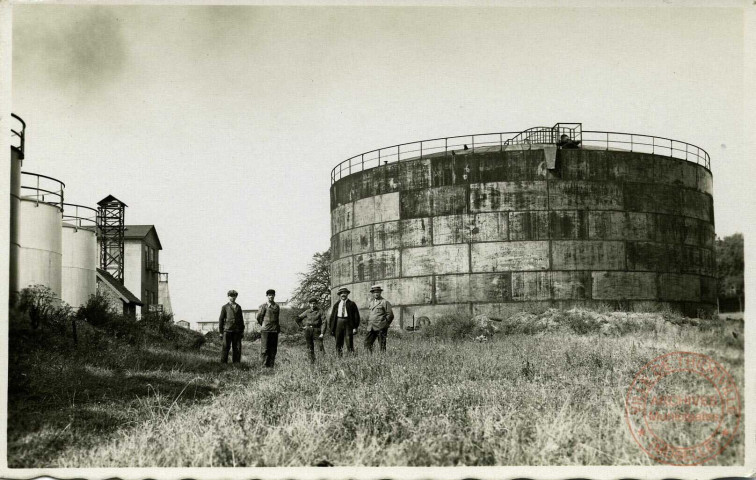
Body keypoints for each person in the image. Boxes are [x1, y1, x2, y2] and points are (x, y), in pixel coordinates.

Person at [329, 287, 360, 356]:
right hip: (338, 322)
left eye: (345, 293)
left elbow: (356, 316)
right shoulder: (336, 304)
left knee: (349, 340)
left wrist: (355, 327)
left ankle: (351, 356)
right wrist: (332, 328)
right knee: (338, 341)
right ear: (339, 295)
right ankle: (339, 356)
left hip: (348, 323)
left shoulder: (352, 304)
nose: (343, 294)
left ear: (347, 294)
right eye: (341, 293)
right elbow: (332, 317)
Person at [296, 297, 327, 363]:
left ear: (316, 304)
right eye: (311, 304)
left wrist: (322, 333)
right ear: (309, 304)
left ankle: (323, 361)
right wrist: (302, 327)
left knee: (320, 345)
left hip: (317, 330)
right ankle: (312, 361)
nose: (313, 305)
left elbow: (324, 322)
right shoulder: (307, 311)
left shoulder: (320, 311)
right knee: (309, 346)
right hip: (308, 330)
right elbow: (298, 318)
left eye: (314, 303)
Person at [364, 285, 394, 353]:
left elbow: (390, 315)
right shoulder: (371, 303)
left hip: (381, 327)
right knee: (367, 343)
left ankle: (382, 359)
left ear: (380, 293)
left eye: (378, 292)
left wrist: (385, 324)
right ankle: (369, 358)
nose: (376, 294)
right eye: (374, 292)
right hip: (371, 327)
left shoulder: (384, 302)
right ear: (372, 293)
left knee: (382, 344)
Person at [256, 289, 280, 368]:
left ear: (274, 296)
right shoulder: (263, 306)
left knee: (273, 349)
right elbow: (259, 318)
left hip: (274, 330)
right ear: (267, 296)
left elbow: (277, 318)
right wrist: (264, 325)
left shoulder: (277, 306)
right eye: (269, 295)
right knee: (264, 349)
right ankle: (263, 366)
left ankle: (271, 366)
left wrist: (277, 328)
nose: (271, 296)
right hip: (265, 330)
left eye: (272, 295)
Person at [219, 289, 244, 364]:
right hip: (227, 330)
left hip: (237, 331)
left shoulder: (238, 307)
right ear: (228, 296)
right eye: (231, 296)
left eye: (234, 296)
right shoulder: (225, 307)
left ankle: (236, 363)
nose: (232, 297)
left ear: (236, 297)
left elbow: (241, 320)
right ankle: (223, 363)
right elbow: (221, 319)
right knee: (225, 347)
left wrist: (242, 331)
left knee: (237, 348)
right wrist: (221, 332)